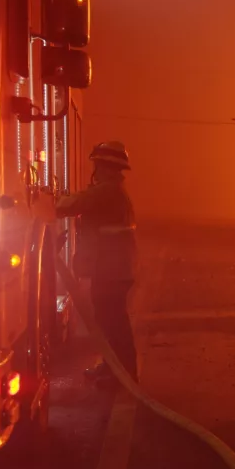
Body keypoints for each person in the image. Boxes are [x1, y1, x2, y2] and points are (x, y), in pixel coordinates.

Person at [55, 141, 138, 383]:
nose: (96, 170)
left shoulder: (106, 192)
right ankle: (114, 368)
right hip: (115, 269)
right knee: (109, 322)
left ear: (104, 167)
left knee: (112, 324)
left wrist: (47, 201)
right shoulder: (115, 192)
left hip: (111, 271)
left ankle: (122, 374)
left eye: (97, 165)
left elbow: (70, 205)